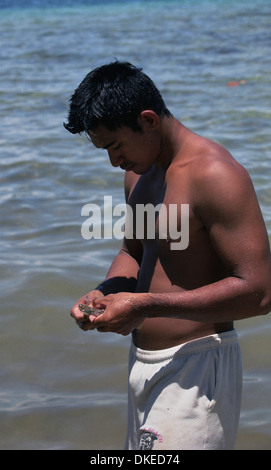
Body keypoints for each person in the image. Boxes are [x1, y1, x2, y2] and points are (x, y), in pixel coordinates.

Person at [64, 61, 271, 450]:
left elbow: (259, 293)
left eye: (115, 146)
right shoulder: (139, 174)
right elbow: (134, 250)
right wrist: (102, 292)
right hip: (141, 365)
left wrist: (146, 306)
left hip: (197, 371)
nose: (113, 161)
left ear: (148, 120)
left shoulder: (216, 175)